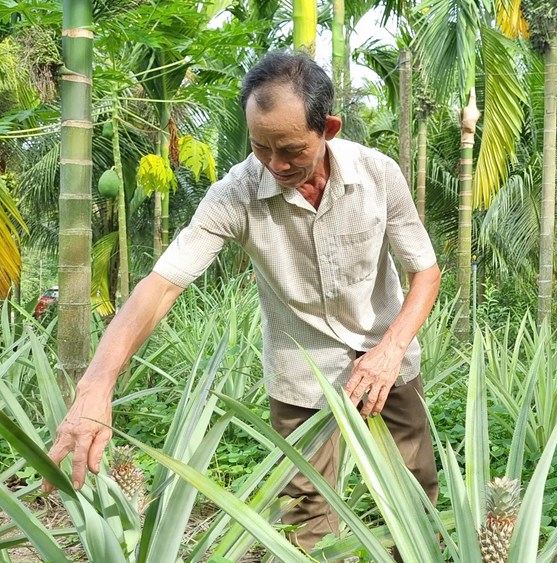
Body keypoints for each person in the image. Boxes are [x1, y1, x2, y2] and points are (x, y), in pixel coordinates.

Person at [44, 50, 441, 552]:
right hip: (301, 373)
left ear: (330, 128)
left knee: (416, 493)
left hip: (389, 363)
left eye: (292, 149)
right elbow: (161, 284)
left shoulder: (379, 176)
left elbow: (424, 272)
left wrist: (389, 350)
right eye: (260, 148)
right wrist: (97, 385)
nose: (276, 165)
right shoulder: (235, 195)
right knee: (305, 521)